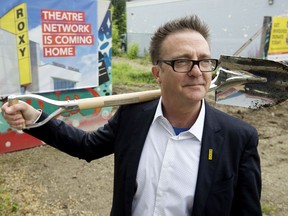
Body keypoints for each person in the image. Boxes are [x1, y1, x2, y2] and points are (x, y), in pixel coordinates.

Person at [1, 15, 262, 215]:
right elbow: (86, 146)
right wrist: (35, 117)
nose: (196, 71)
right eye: (182, 61)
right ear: (157, 73)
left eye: (204, 61)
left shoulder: (238, 138)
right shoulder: (134, 117)